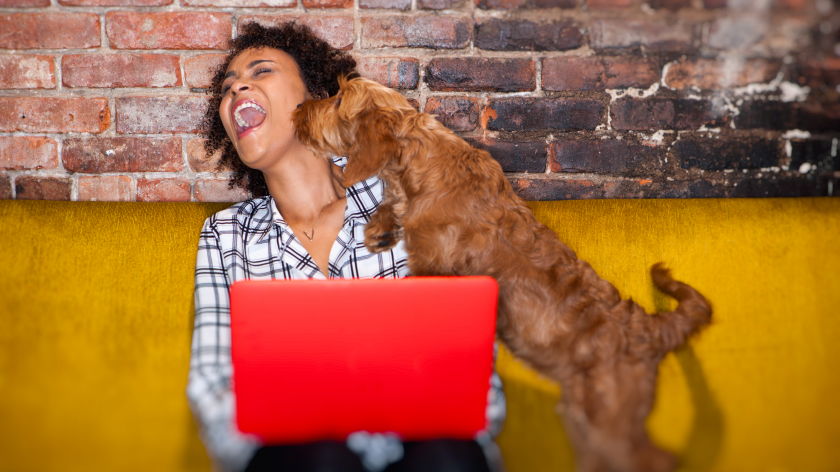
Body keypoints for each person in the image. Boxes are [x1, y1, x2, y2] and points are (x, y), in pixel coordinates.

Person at [186, 21, 506, 472]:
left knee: (447, 460)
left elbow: (472, 380)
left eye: (261, 72)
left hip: (423, 450)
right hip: (297, 457)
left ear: (315, 96)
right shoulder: (225, 236)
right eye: (227, 87)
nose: (237, 87)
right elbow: (213, 386)